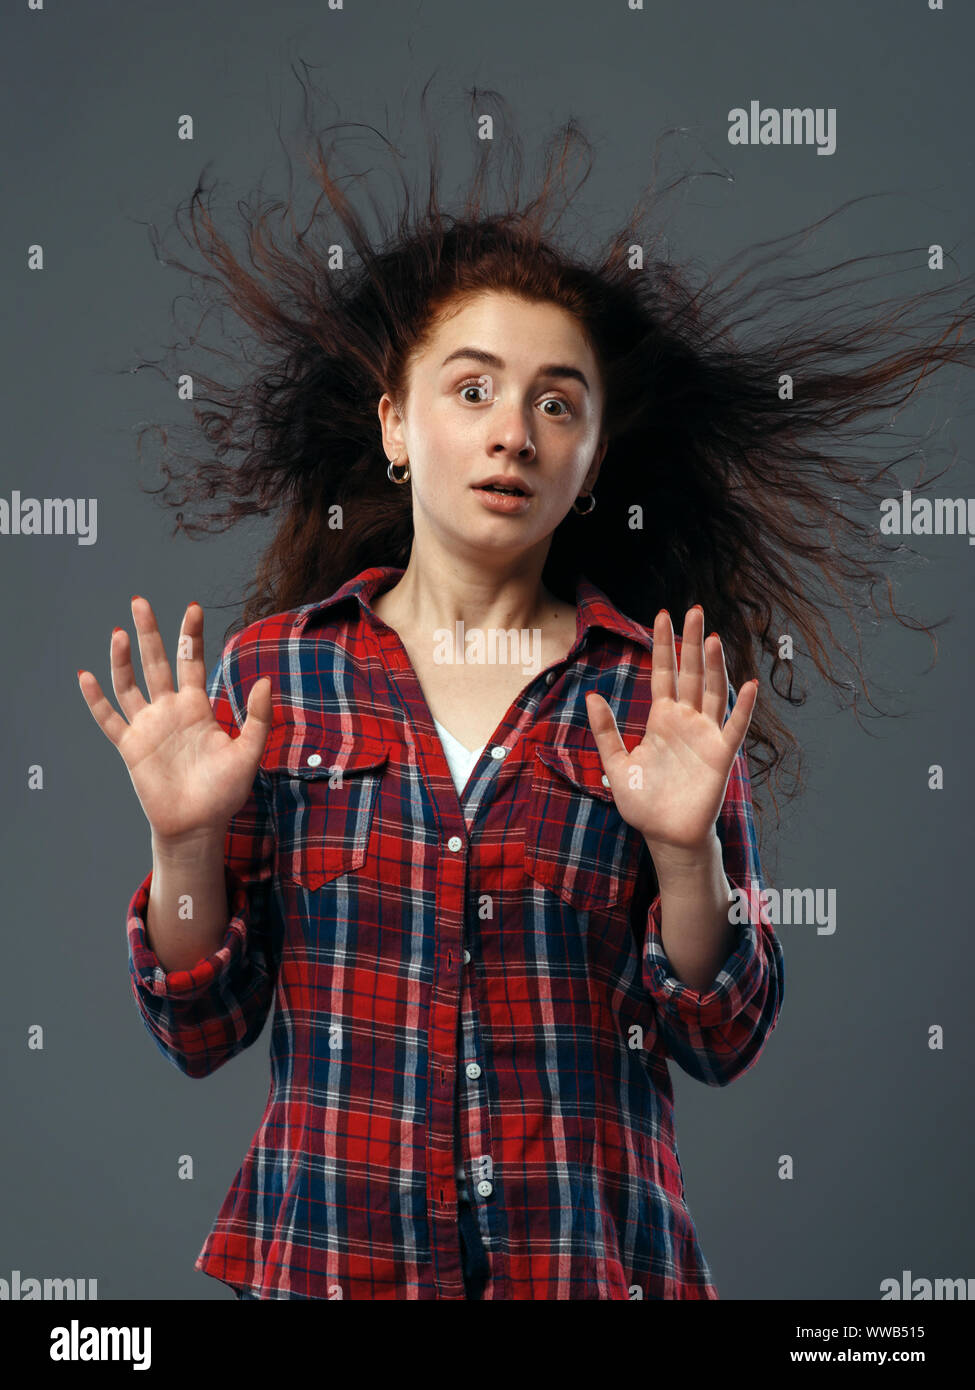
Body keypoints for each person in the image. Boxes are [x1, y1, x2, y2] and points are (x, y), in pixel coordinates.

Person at [77, 91, 975, 1298]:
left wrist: (687, 854)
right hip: (333, 1271)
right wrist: (183, 841)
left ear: (592, 458)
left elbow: (723, 1034)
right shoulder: (277, 677)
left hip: (588, 1268)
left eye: (557, 402)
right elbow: (199, 1031)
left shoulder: (658, 697)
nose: (514, 432)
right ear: (396, 425)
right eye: (472, 389)